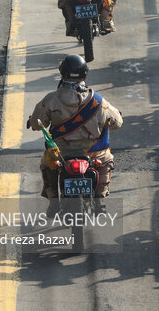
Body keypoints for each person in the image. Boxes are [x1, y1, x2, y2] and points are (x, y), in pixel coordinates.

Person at [28, 54, 123, 215]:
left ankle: (53, 203)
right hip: (92, 154)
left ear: (62, 73)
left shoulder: (51, 99)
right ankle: (99, 201)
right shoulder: (98, 101)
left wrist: (33, 123)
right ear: (85, 74)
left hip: (61, 155)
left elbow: (38, 124)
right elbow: (117, 123)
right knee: (106, 161)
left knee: (47, 163)